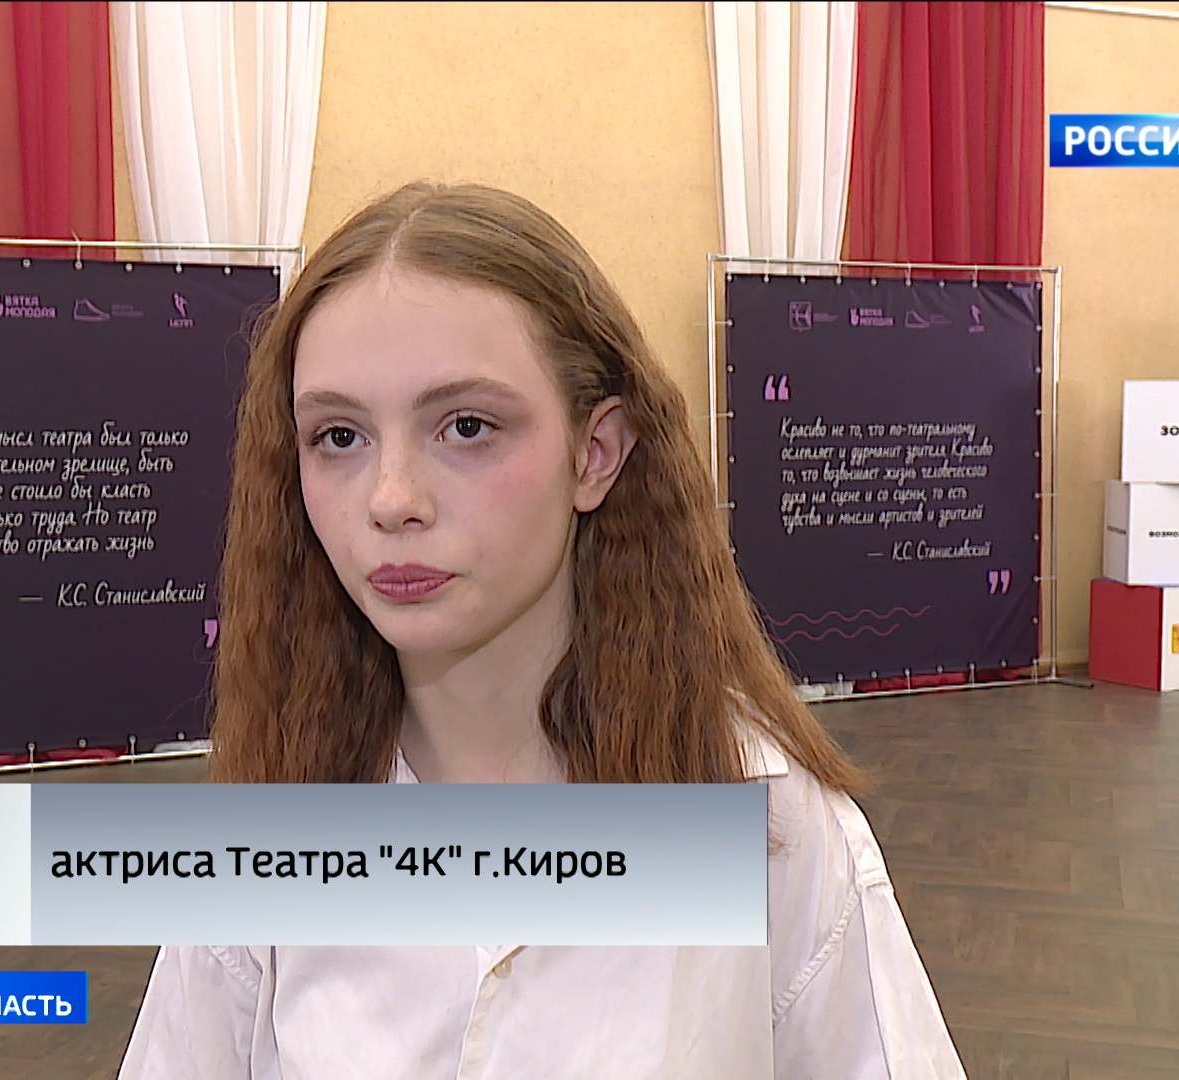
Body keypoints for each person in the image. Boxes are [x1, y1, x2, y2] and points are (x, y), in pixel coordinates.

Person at [118, 182, 965, 1078]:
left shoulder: (771, 824)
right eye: (338, 437)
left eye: (466, 427)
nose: (391, 499)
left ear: (594, 453)